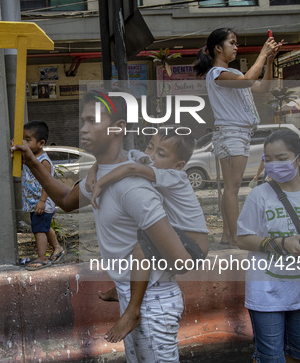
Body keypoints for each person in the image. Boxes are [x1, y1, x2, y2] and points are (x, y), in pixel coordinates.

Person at [13, 90, 196, 363]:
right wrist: (32, 161)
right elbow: (66, 200)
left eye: (93, 120)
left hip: (152, 300)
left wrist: (138, 294)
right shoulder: (101, 173)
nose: (84, 128)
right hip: (133, 294)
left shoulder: (133, 188)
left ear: (118, 128)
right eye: (83, 120)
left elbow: (181, 261)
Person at [86, 130, 209, 343]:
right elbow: (123, 158)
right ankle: (123, 288)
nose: (151, 156)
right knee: (140, 235)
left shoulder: (174, 176)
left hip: (193, 248)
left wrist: (100, 181)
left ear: (178, 164)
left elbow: (131, 168)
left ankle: (132, 312)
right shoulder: (153, 165)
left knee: (140, 247)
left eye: (161, 154)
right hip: (177, 238)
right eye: (150, 147)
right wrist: (93, 169)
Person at [236, 129, 300, 363]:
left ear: (299, 159)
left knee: (297, 356)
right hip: (266, 293)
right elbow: (243, 238)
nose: (273, 165)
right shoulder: (259, 196)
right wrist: (283, 243)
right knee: (268, 361)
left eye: (281, 158)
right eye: (268, 159)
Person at [195, 28, 283, 247]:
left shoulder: (232, 74)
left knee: (231, 187)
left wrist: (270, 61)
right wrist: (263, 54)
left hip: (234, 133)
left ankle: (228, 235)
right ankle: (235, 237)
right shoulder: (218, 73)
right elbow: (247, 81)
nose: (236, 47)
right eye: (232, 43)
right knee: (233, 187)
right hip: (232, 133)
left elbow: (264, 87)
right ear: (218, 48)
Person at [19, 120, 64, 271]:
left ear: (41, 143)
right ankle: (58, 248)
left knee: (39, 229)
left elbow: (47, 183)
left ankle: (42, 258)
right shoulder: (29, 158)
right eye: (22, 139)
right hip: (33, 201)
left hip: (41, 201)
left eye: (28, 140)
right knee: (44, 227)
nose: (24, 142)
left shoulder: (43, 161)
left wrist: (42, 201)